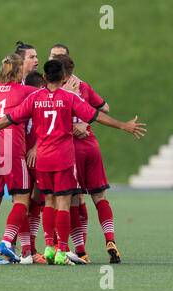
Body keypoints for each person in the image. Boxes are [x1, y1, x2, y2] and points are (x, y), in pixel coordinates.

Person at [0, 59, 146, 265]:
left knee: (48, 201)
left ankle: (48, 247)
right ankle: (63, 251)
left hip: (41, 158)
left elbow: (9, 118)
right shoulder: (69, 97)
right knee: (64, 204)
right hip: (63, 158)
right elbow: (96, 116)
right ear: (62, 79)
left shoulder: (34, 98)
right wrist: (124, 126)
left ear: (44, 77)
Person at [52, 53, 121, 263]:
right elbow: (105, 108)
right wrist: (86, 121)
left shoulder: (52, 90)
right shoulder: (83, 85)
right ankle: (110, 240)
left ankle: (80, 250)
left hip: (69, 149)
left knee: (72, 199)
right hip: (91, 146)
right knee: (100, 196)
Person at [0, 53, 37, 264]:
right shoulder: (24, 91)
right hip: (11, 149)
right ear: (20, 71)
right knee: (22, 200)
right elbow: (49, 94)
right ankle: (6, 241)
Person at [23, 71, 47, 264]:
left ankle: (28, 248)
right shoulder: (38, 100)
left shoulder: (22, 97)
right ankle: (50, 248)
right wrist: (36, 146)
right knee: (43, 200)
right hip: (36, 157)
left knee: (28, 201)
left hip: (21, 155)